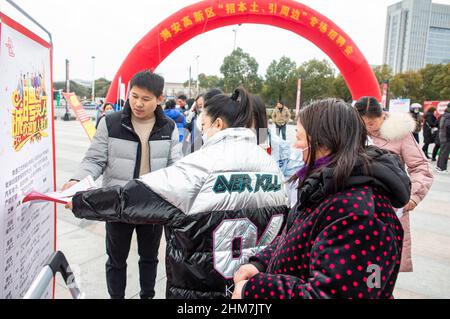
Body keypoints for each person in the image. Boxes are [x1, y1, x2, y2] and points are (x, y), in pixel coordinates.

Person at [67, 87, 289, 299]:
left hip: (197, 290)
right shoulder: (272, 167)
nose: (202, 130)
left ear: (218, 124)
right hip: (252, 289)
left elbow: (130, 198)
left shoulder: (200, 166)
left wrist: (80, 201)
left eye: (204, 124)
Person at [232, 98, 411, 299]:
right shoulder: (325, 184)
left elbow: (331, 294)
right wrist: (261, 264)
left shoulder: (359, 213)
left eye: (299, 137)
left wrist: (256, 290)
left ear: (323, 143)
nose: (295, 145)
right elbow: (295, 238)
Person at [62, 70, 182, 299]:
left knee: (149, 258)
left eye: (146, 99)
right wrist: (77, 181)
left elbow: (175, 166)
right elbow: (94, 159)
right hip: (117, 204)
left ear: (159, 99)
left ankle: (147, 295)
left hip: (153, 205)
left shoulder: (168, 127)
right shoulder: (111, 123)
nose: (138, 103)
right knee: (116, 259)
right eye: (134, 96)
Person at [355, 97, 433, 272]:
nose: (368, 127)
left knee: (379, 267)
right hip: (358, 208)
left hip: (390, 209)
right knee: (357, 264)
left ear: (382, 115)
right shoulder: (352, 133)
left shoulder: (399, 133)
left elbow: (422, 167)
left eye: (372, 122)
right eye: (363, 123)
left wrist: (413, 197)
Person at [251, 95, 303, 207]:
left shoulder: (280, 147)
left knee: (281, 136)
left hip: (281, 125)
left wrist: (284, 121)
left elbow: (291, 192)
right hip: (275, 125)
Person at [436, 103, 450, 173]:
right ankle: (442, 168)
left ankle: (438, 166)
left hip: (442, 136)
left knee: (442, 152)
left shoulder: (444, 114)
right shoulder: (448, 115)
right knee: (445, 153)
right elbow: (448, 126)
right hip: (446, 137)